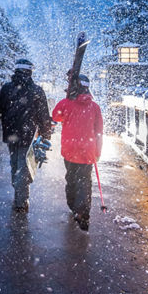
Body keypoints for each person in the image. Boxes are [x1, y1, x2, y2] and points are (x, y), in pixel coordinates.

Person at [0, 58, 53, 212]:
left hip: (10, 133)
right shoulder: (36, 90)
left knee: (15, 164)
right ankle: (21, 201)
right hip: (28, 134)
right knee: (24, 166)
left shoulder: (7, 88)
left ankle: (18, 192)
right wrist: (45, 133)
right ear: (30, 72)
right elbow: (44, 115)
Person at [52, 74, 103, 231]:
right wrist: (98, 151)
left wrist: (67, 100)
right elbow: (99, 131)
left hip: (69, 149)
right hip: (88, 150)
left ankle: (73, 205)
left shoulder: (66, 103)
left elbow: (55, 116)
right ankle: (82, 211)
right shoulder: (94, 107)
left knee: (71, 178)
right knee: (85, 181)